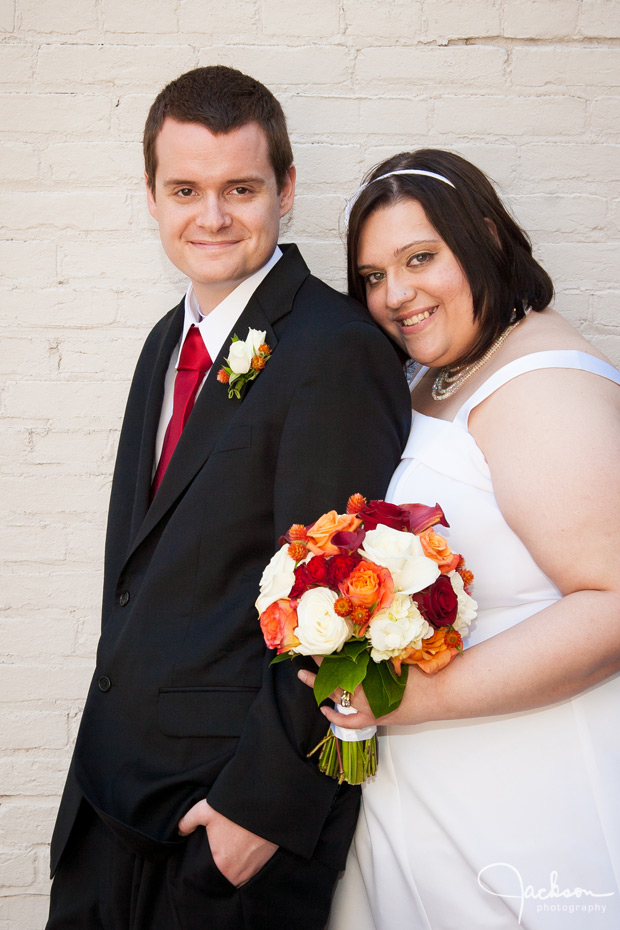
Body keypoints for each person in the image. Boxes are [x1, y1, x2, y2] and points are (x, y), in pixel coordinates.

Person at [45, 66, 412, 930]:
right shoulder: (164, 343)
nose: (211, 217)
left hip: (227, 832)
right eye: (186, 190)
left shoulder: (335, 350)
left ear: (285, 189)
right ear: (152, 195)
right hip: (109, 803)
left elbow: (346, 607)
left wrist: (258, 813)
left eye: (240, 188)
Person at [299, 149, 620, 929]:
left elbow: (612, 604)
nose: (395, 294)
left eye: (420, 258)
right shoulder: (428, 378)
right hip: (425, 807)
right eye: (373, 276)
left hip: (527, 807)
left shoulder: (543, 381)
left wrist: (407, 698)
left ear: (484, 239)